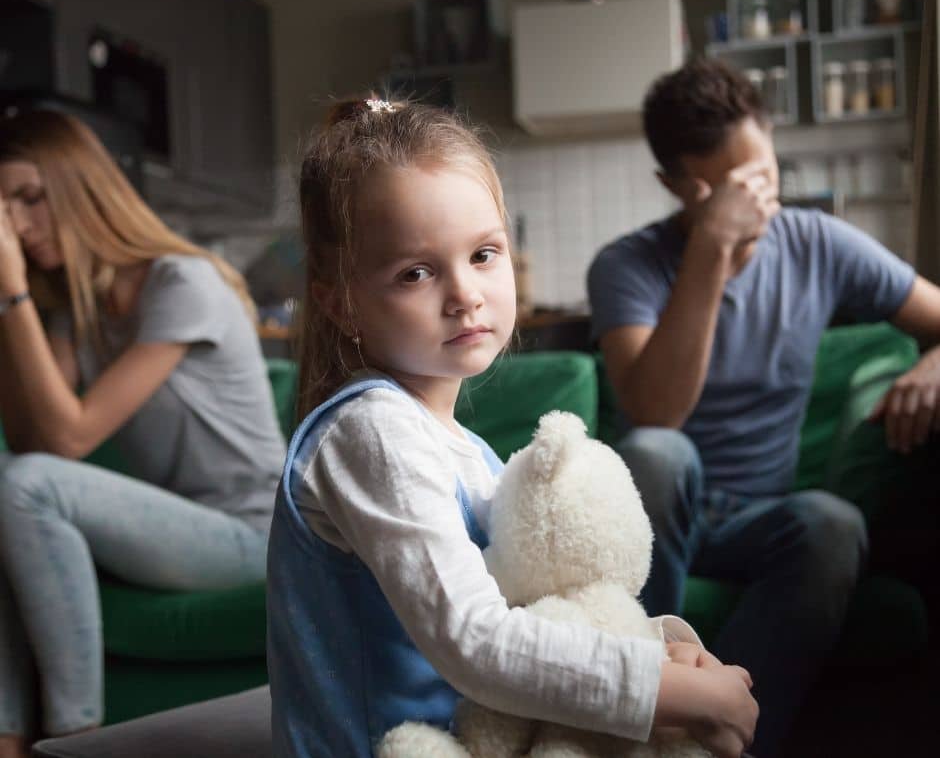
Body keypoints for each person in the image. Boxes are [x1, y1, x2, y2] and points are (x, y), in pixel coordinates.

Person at [265, 96, 759, 758]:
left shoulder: (468, 453)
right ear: (341, 302)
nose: (464, 292)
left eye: (484, 254)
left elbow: (537, 611)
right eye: (416, 272)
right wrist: (677, 693)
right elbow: (477, 640)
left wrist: (664, 650)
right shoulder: (370, 432)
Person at [587, 57, 940, 757]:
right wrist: (712, 247)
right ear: (676, 186)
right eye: (732, 188)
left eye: (765, 178)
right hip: (661, 512)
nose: (756, 203)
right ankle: (641, 711)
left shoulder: (818, 245)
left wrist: (936, 360)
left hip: (759, 515)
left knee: (833, 523)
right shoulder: (626, 265)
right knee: (657, 452)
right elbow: (657, 413)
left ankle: (718, 745)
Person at [0, 110, 286, 758]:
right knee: (9, 482)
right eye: (3, 206)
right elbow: (30, 441)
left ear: (81, 188)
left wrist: (11, 291)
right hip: (183, 530)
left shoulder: (182, 282)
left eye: (29, 197)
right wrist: (13, 304)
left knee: (24, 484)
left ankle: (75, 737)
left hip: (253, 532)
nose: (16, 223)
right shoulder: (82, 314)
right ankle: (8, 739)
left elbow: (67, 443)